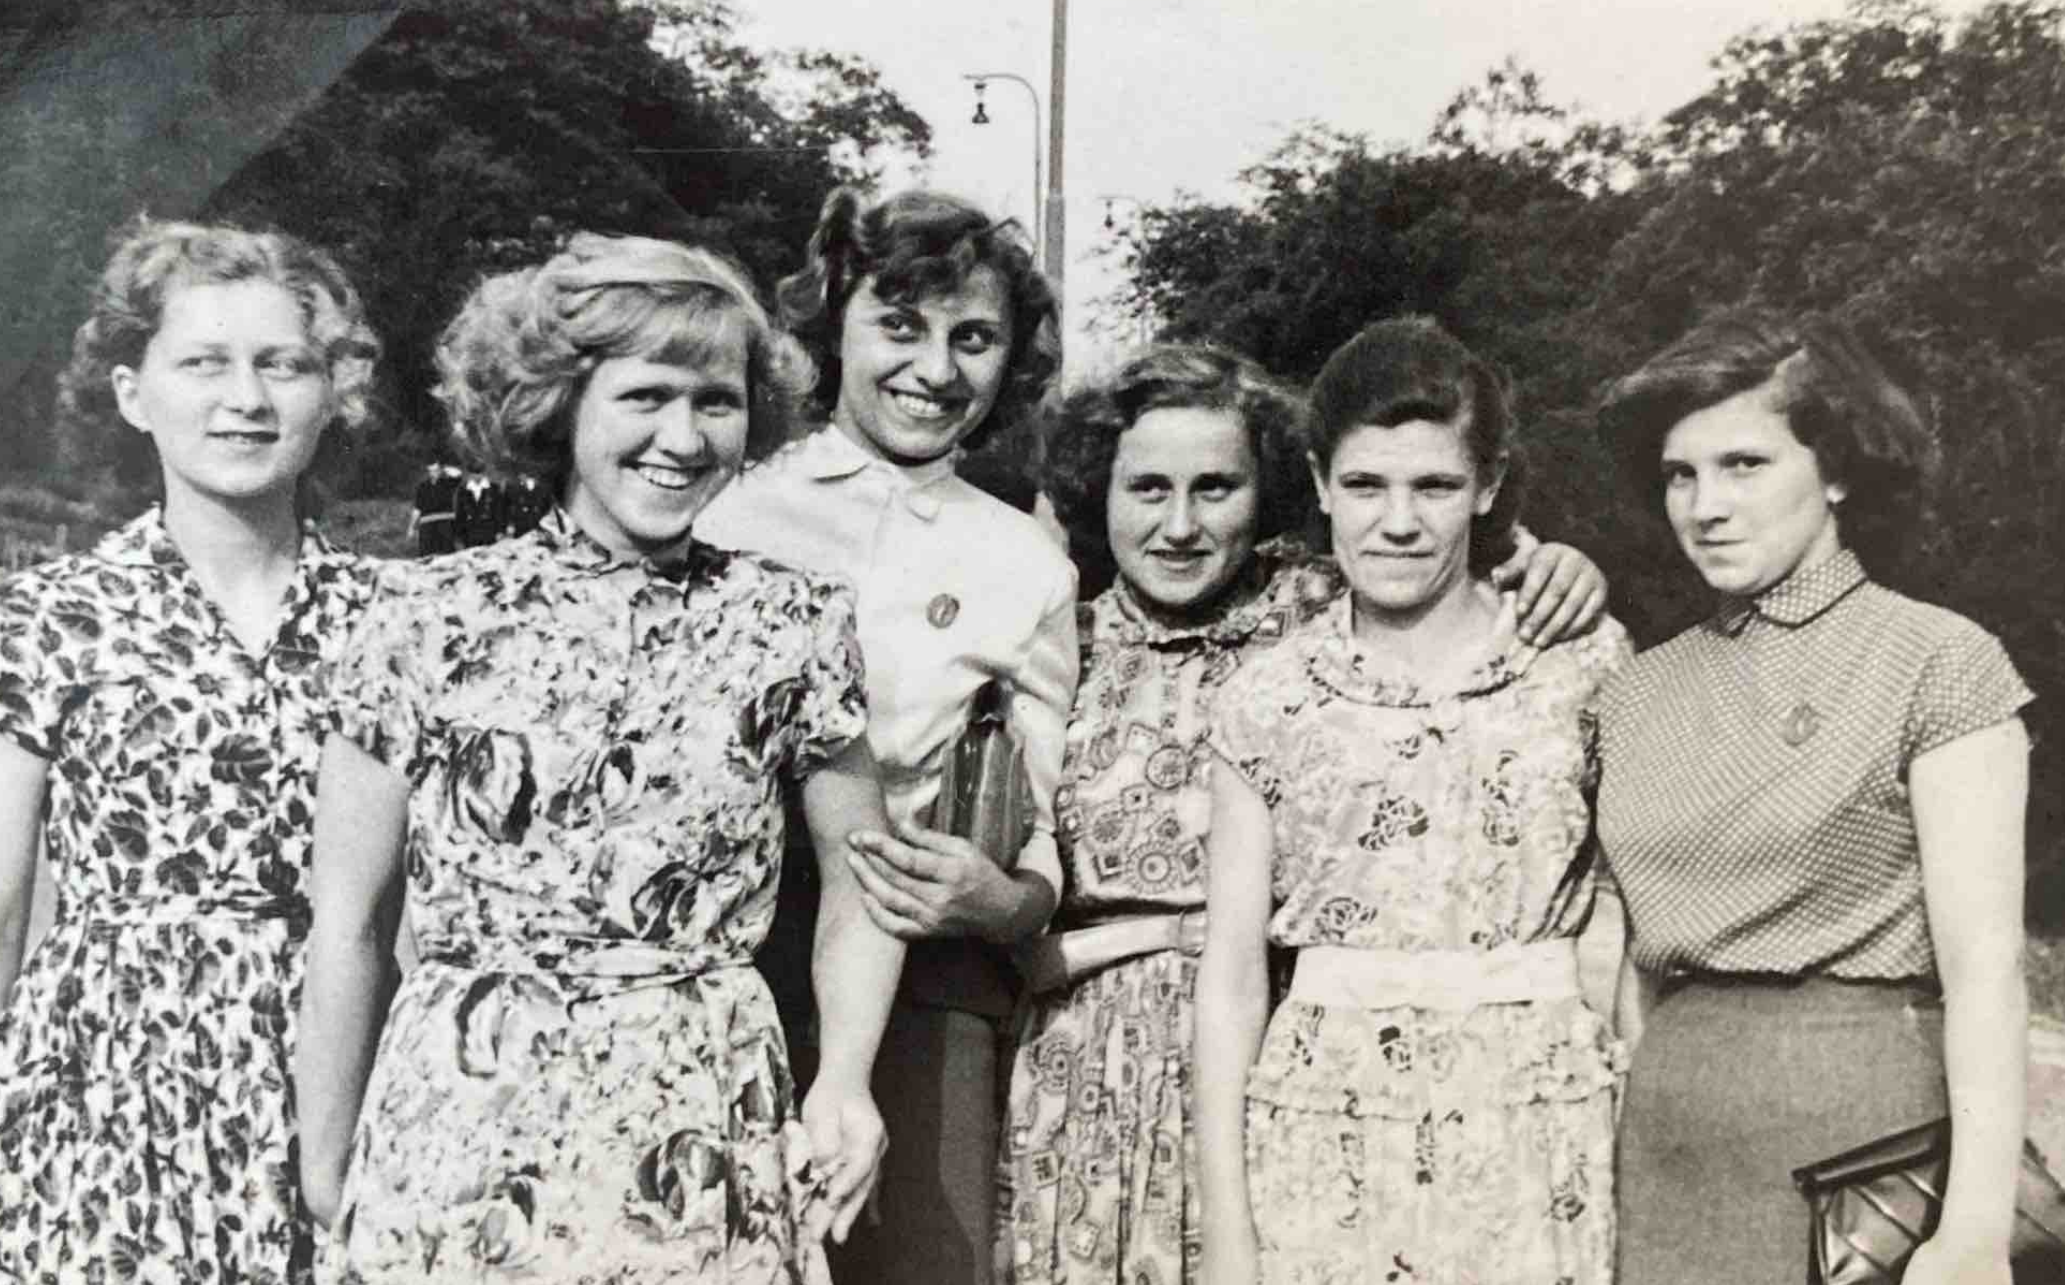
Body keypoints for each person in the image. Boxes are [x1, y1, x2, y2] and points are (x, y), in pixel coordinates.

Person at [297, 234, 904, 1284]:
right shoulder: (423, 616)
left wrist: (844, 1080)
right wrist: (327, 1157)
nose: (684, 437)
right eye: (646, 396)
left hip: (700, 1124)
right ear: (561, 402)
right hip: (464, 1117)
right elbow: (347, 921)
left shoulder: (791, 619)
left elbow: (863, 882)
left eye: (716, 401)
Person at [996, 342, 1614, 1284]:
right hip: (1095, 1061)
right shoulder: (1054, 643)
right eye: (1147, 488)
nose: (1179, 524)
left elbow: (1442, 549)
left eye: (1214, 488)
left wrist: (1555, 565)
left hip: (1327, 1060)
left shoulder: (1310, 603)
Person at [0, 217, 382, 1284]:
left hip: (340, 1085)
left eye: (284, 365)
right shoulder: (44, 622)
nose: (247, 399)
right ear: (133, 394)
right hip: (96, 1100)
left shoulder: (398, 623)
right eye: (204, 363)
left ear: (333, 392)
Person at [1594, 310, 2032, 1285]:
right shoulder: (1632, 691)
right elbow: (1629, 963)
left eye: (1743, 465)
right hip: (1666, 1149)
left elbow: (1987, 970)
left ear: (1835, 469)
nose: (1705, 505)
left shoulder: (1936, 661)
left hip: (1860, 1142)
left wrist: (1973, 1232)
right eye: (1680, 474)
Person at [1193, 317, 1632, 1285]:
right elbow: (1230, 975)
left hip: (1540, 1123)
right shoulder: (1265, 695)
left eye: (1433, 485)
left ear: (1487, 484)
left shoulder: (1582, 662)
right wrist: (1225, 1232)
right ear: (1319, 483)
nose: (1398, 522)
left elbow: (1621, 921)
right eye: (1365, 485)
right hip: (1325, 1132)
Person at [696, 187, 1076, 1285]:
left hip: (925, 965)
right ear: (835, 326)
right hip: (726, 958)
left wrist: (1006, 899)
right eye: (899, 326)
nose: (935, 369)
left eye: (974, 338)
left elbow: (1037, 808)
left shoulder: (1026, 564)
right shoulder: (728, 508)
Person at [410, 460, 461, 555]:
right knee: (426, 554)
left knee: (447, 553)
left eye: (436, 470)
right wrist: (411, 527)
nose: (434, 473)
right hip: (427, 524)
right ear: (428, 472)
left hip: (445, 523)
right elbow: (417, 508)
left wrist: (445, 468)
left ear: (440, 471)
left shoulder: (448, 483)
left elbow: (458, 474)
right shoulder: (422, 486)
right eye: (432, 470)